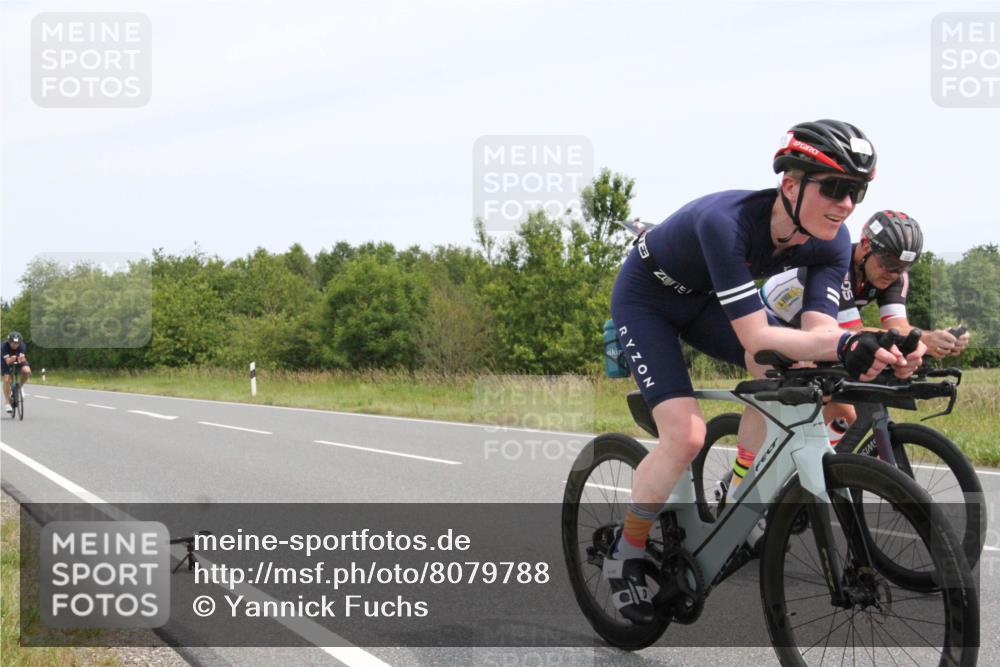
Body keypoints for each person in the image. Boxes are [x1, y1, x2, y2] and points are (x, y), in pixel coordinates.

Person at [606, 120, 926, 625]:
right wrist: (846, 343)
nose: (847, 205)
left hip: (705, 301)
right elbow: (757, 337)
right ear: (792, 185)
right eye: (836, 188)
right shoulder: (726, 223)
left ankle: (742, 486)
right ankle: (624, 553)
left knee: (796, 364)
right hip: (647, 301)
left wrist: (878, 346)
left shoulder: (832, 241)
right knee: (686, 436)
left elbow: (819, 330)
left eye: (857, 192)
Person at [760, 209, 971, 441]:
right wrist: (924, 341)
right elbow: (854, 332)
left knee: (843, 408)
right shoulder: (837, 266)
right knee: (828, 402)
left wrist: (935, 338)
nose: (893, 273)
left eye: (903, 267)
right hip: (773, 324)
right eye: (889, 262)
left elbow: (897, 326)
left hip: (815, 327)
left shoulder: (894, 275)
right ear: (865, 246)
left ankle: (821, 464)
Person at [2, 331, 32, 413]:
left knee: (26, 371)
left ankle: (20, 386)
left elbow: (22, 358)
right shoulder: (4, 347)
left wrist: (20, 358)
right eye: (13, 343)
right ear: (9, 342)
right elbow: (8, 361)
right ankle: (7, 402)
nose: (15, 345)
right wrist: (13, 358)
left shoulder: (22, 345)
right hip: (6, 361)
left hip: (18, 358)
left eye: (17, 343)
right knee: (7, 380)